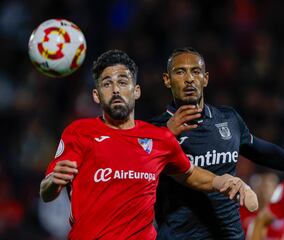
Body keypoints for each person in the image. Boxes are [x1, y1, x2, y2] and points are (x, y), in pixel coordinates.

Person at [39, 50, 258, 240]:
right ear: (97, 95)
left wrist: (224, 181)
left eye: (123, 82)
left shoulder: (159, 138)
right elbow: (47, 192)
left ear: (136, 91)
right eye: (107, 83)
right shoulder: (79, 132)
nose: (116, 89)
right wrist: (52, 181)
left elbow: (189, 173)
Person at [149, 47, 284, 240]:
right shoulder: (154, 130)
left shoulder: (228, 119)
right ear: (167, 79)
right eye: (180, 71)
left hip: (229, 234)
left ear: (205, 78)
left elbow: (267, 153)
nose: (189, 78)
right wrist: (166, 135)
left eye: (196, 71)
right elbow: (136, 173)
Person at [239, 172, 284, 239]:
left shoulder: (282, 216)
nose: (265, 190)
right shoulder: (241, 212)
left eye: (269, 186)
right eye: (262, 186)